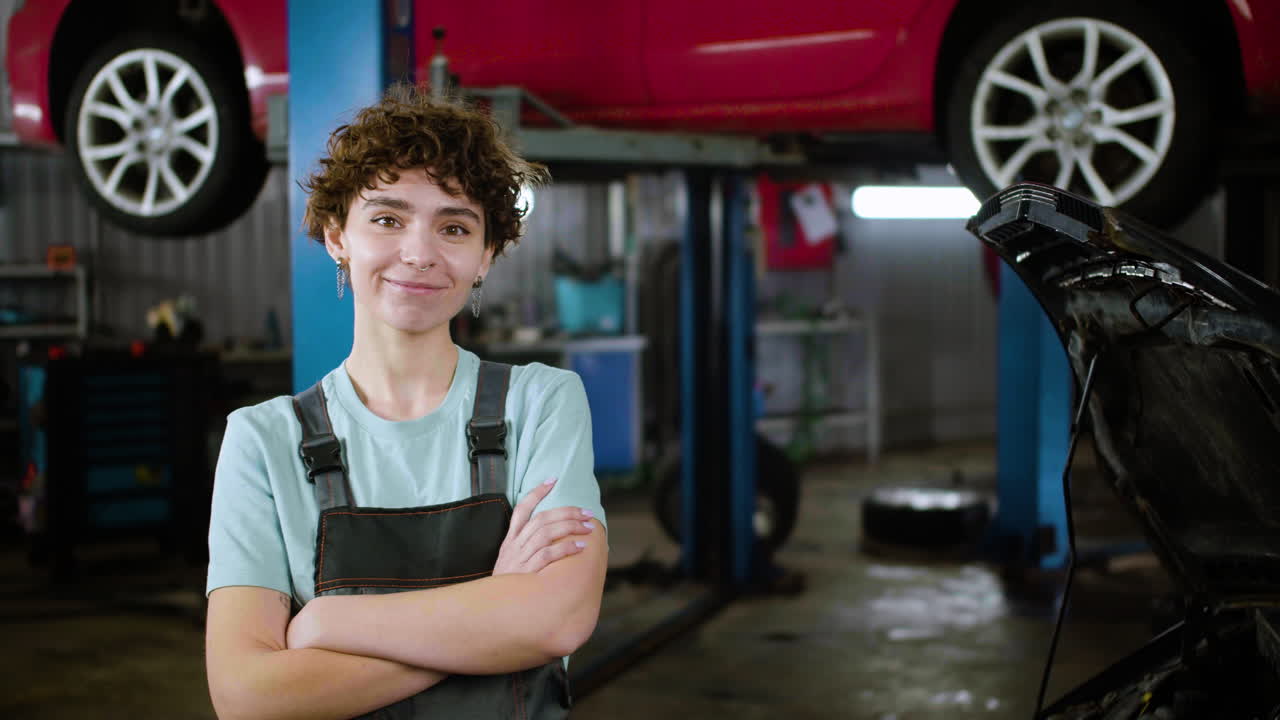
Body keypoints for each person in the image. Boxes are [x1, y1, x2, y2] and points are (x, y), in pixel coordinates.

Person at [204, 85, 608, 720]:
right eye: (387, 219)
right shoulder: (262, 441)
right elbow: (247, 697)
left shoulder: (541, 404)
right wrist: (496, 610)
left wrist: (325, 623)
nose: (419, 254)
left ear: (487, 256)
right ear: (338, 235)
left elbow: (558, 619)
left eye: (454, 226)